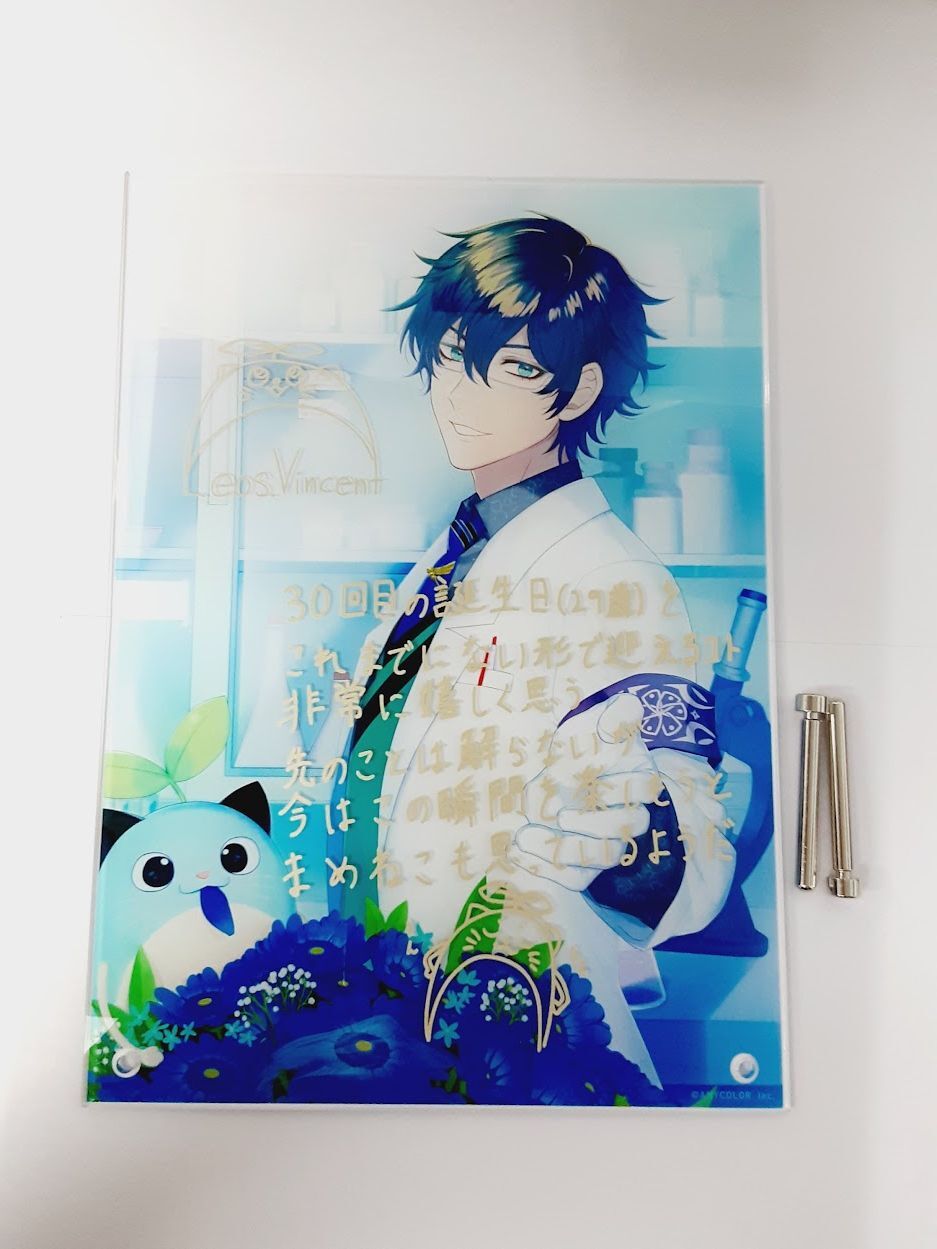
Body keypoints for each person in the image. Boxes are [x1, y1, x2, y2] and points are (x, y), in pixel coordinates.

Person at [325, 215, 734, 1084]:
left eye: (509, 367)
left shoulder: (614, 576)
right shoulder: (451, 556)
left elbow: (696, 866)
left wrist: (619, 831)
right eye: (449, 357)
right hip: (393, 1009)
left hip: (522, 1029)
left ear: (579, 390)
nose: (459, 393)